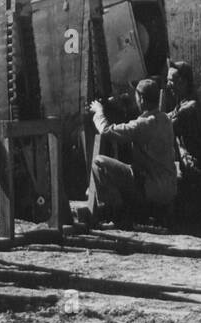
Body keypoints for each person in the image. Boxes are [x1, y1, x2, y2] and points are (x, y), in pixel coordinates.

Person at [73, 78, 177, 228]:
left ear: (141, 98)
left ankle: (116, 215)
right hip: (168, 187)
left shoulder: (143, 124)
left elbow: (107, 131)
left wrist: (99, 112)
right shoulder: (165, 119)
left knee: (99, 163)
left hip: (152, 187)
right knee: (127, 169)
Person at [166, 61, 201, 221]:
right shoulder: (185, 104)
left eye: (171, 80)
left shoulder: (188, 110)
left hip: (196, 179)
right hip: (199, 175)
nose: (168, 84)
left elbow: (163, 130)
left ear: (183, 82)